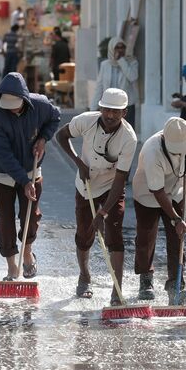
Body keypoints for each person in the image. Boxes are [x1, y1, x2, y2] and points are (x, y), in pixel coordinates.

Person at [55, 88, 137, 305]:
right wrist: (78, 161)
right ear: (100, 108)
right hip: (86, 185)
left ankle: (117, 290)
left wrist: (103, 212)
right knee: (84, 234)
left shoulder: (129, 138)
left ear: (124, 113)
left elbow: (121, 179)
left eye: (116, 112)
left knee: (115, 233)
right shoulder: (86, 121)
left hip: (112, 186)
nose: (110, 116)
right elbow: (60, 136)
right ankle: (84, 275)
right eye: (107, 110)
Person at [0, 72, 61, 280]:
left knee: (31, 213)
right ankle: (12, 265)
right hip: (2, 172)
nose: (12, 110)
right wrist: (23, 181)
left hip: (31, 166)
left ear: (25, 99)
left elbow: (54, 118)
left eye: (16, 106)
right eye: (8, 107)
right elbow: (3, 154)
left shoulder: (41, 105)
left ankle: (27, 252)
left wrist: (43, 139)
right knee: (6, 218)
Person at [133, 117, 186, 304]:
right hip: (149, 191)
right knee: (146, 237)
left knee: (177, 237)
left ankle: (175, 285)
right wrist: (176, 219)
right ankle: (146, 282)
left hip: (176, 188)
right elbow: (158, 191)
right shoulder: (152, 151)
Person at [91, 37, 139, 130]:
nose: (120, 50)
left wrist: (121, 61)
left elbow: (132, 77)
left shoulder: (132, 62)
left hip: (126, 105)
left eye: (122, 47)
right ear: (112, 49)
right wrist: (93, 108)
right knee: (109, 133)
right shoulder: (105, 65)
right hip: (109, 105)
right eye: (117, 47)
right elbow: (99, 87)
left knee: (126, 133)